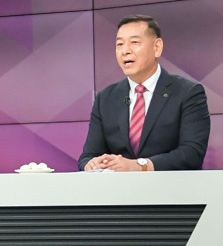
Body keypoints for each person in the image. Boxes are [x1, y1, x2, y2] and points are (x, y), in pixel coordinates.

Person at [78, 15, 210, 172]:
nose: (125, 51)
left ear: (157, 47)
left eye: (134, 42)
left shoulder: (188, 92)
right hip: (120, 188)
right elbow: (88, 156)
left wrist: (141, 166)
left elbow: (192, 153)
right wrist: (92, 164)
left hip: (171, 186)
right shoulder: (105, 98)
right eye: (120, 44)